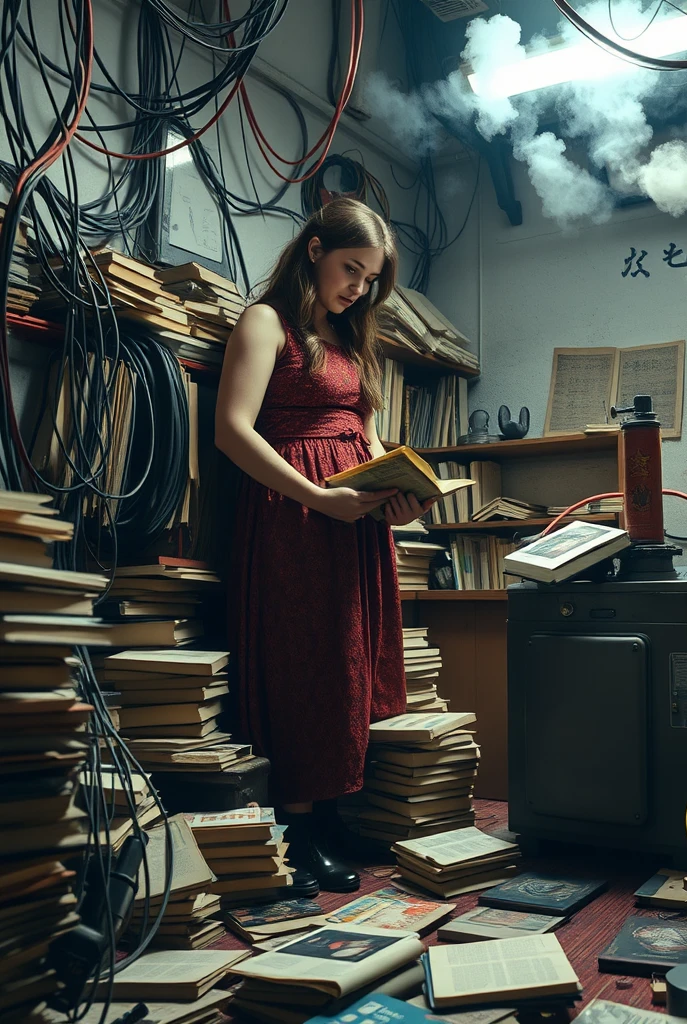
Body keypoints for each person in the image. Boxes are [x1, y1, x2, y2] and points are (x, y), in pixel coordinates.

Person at [215, 198, 431, 891]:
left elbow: (367, 442)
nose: (358, 289)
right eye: (351, 270)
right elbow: (233, 431)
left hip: (352, 526)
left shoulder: (349, 343)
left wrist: (395, 504)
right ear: (313, 250)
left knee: (349, 667)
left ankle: (333, 816)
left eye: (369, 279)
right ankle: (300, 831)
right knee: (304, 664)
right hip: (296, 520)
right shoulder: (265, 322)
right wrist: (321, 499)